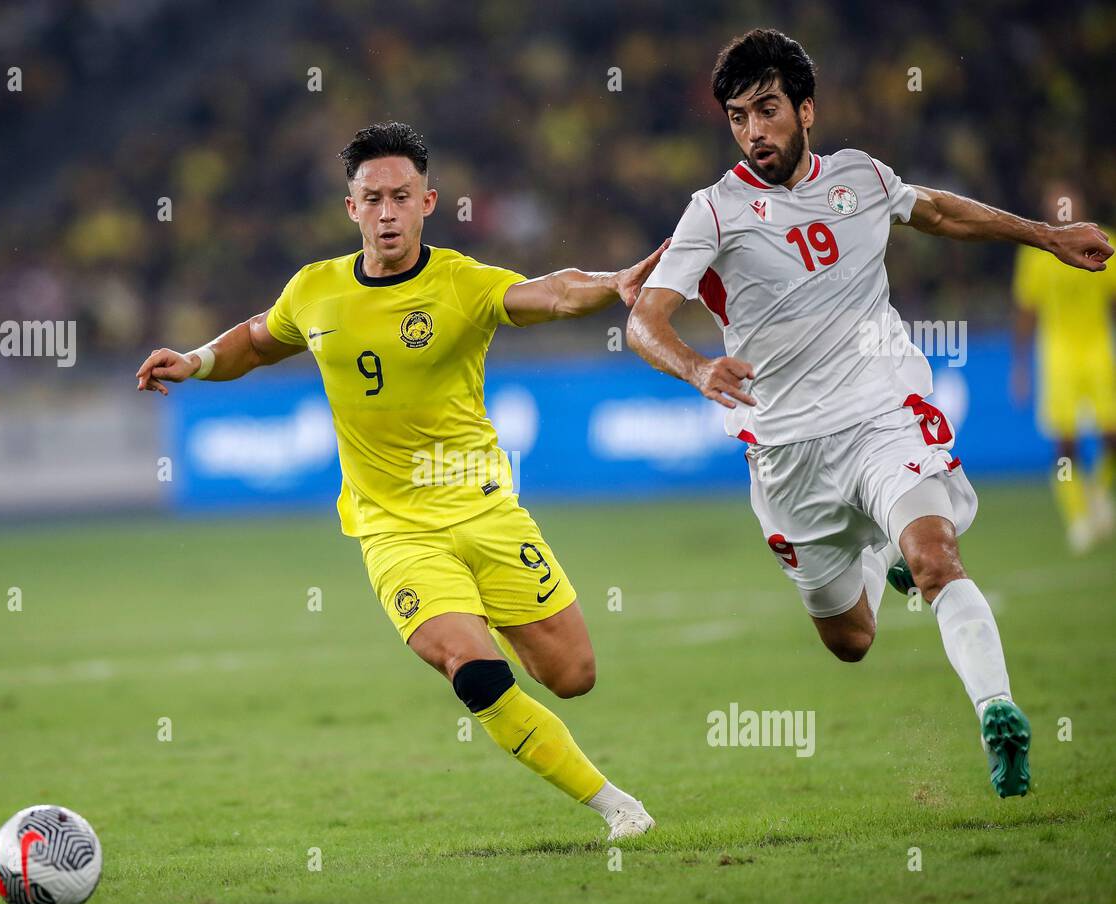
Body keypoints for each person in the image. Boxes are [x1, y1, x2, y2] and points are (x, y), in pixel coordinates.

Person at [137, 123, 668, 839]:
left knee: (572, 675)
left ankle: (524, 673)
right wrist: (196, 360)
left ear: (428, 202)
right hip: (393, 530)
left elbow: (550, 295)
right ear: (350, 209)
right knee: (471, 667)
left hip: (485, 512)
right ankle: (617, 809)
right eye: (372, 198)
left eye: (401, 196)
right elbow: (259, 341)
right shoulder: (315, 290)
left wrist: (612, 284)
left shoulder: (460, 282)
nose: (387, 212)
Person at [626, 30, 1113, 798]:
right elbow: (644, 320)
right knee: (851, 640)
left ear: (805, 109)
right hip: (787, 453)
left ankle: (997, 710)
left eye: (768, 109)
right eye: (738, 117)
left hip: (882, 414)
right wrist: (696, 366)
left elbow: (942, 213)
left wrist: (1046, 236)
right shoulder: (713, 211)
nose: (754, 131)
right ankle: (874, 562)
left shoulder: (860, 176)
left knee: (934, 555)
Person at [1012, 181, 1116, 553]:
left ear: (1081, 203)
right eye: (1056, 203)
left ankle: (1098, 494)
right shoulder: (1036, 256)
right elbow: (1027, 312)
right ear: (1046, 209)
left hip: (1099, 351)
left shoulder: (1104, 242)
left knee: (1111, 436)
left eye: (1068, 202)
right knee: (1065, 444)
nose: (1063, 208)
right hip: (1057, 357)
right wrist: (1020, 366)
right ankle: (1078, 517)